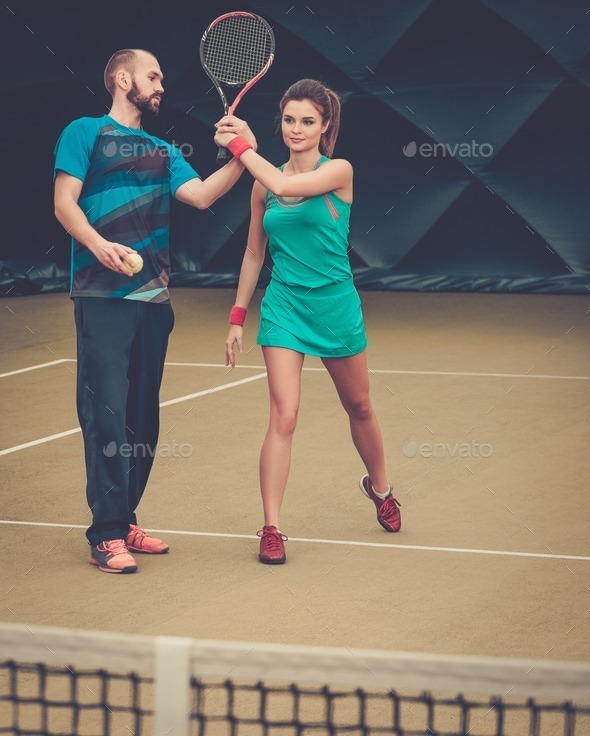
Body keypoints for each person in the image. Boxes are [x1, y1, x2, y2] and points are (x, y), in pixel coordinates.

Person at [53, 48, 256, 574]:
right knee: (107, 416)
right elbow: (64, 203)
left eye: (161, 76)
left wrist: (241, 154)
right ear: (122, 79)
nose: (160, 84)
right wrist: (100, 247)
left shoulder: (166, 151)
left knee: (143, 421)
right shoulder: (85, 132)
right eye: (152, 75)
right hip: (101, 297)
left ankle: (125, 520)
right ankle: (105, 536)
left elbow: (203, 195)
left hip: (155, 301)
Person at [215, 79, 401, 565]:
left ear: (325, 127)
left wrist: (239, 145)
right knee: (285, 414)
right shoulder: (262, 182)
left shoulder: (339, 171)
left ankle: (381, 489)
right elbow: (254, 253)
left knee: (359, 406)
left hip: (336, 306)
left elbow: (285, 185)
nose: (296, 129)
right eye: (289, 119)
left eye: (308, 121)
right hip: (284, 308)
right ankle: (272, 527)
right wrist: (237, 316)